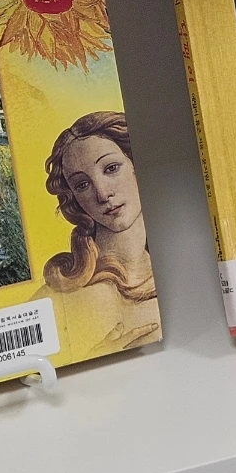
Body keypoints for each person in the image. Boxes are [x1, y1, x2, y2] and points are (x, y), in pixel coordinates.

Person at [40, 111, 160, 356]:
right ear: (74, 198)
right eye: (82, 184)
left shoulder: (174, 267)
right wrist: (93, 358)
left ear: (137, 164)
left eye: (111, 168)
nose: (103, 194)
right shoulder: (56, 296)